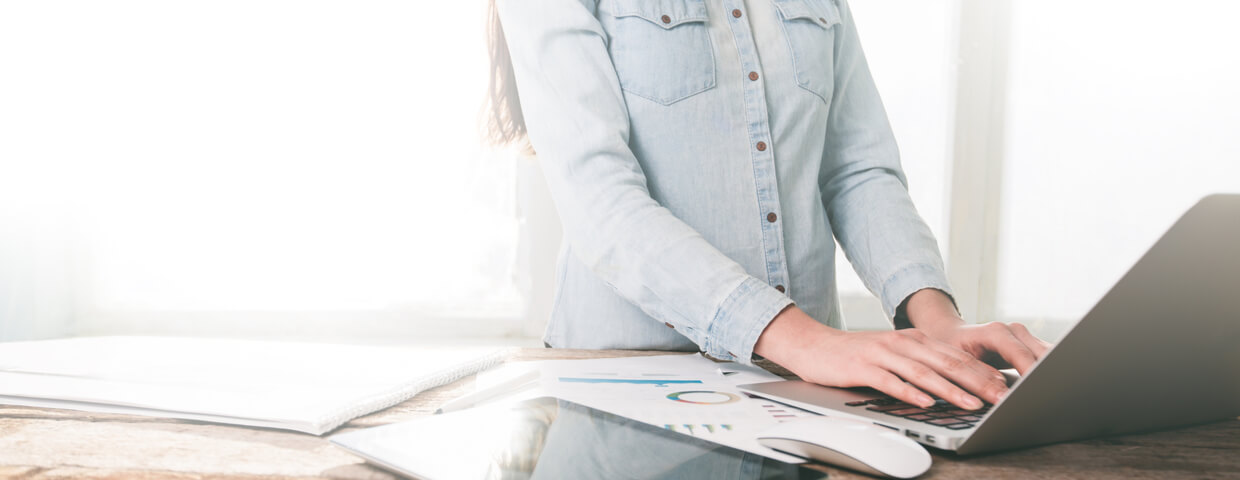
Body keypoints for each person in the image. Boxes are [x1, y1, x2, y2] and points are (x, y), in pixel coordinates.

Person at [485, 0, 1049, 411]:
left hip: (810, 394)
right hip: (625, 388)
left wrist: (936, 321)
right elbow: (599, 201)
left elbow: (856, 168)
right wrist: (808, 341)